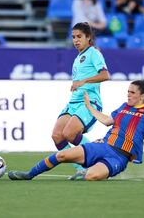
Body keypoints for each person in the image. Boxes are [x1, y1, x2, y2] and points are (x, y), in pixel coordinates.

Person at [8, 71, 144, 181]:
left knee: (91, 176)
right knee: (61, 155)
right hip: (102, 146)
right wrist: (90, 107)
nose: (128, 95)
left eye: (132, 93)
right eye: (127, 92)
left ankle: (85, 173)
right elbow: (108, 121)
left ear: (143, 95)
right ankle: (29, 174)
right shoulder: (123, 107)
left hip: (119, 157)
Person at [49, 22, 110, 179]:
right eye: (74, 37)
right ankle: (80, 168)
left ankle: (100, 160)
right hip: (73, 103)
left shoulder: (94, 53)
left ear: (88, 37)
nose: (76, 40)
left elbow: (105, 75)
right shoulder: (78, 58)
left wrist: (84, 81)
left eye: (79, 37)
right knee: (57, 135)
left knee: (70, 133)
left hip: (89, 102)